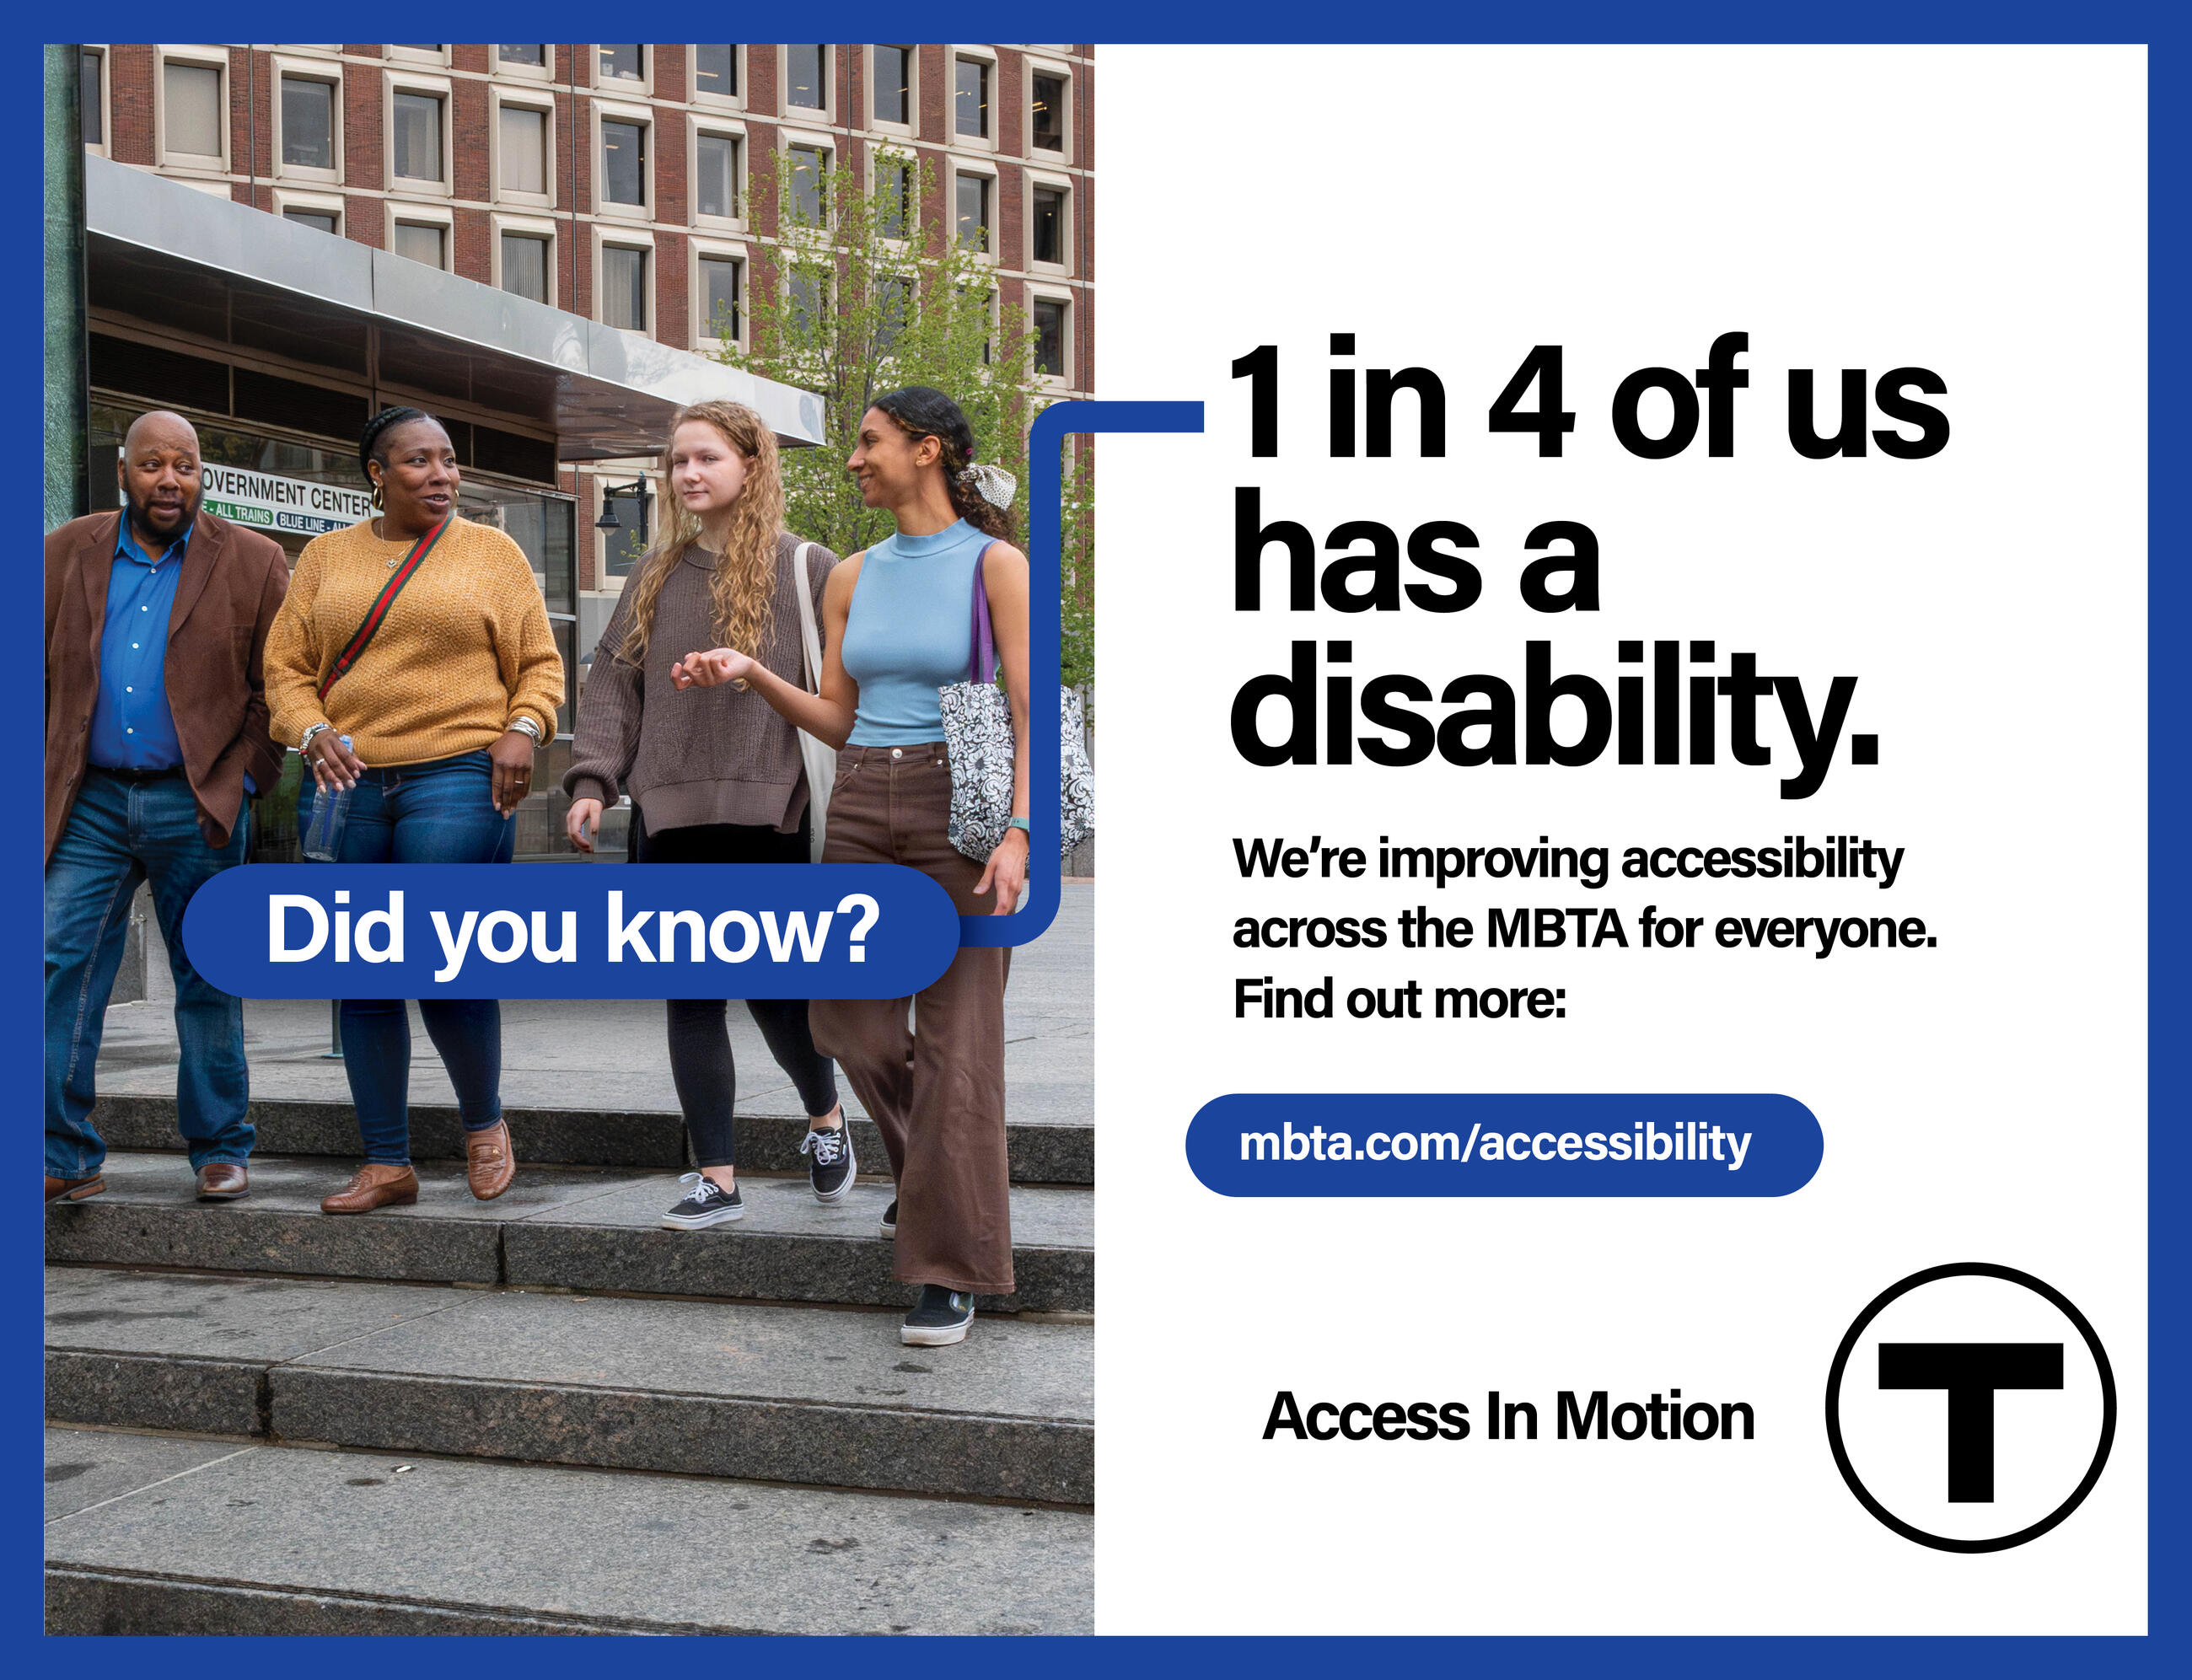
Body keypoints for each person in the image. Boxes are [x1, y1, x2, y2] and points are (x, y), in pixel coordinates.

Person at [676, 386, 1029, 1347]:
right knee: (844, 1017)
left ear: (926, 451)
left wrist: (1019, 830)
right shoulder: (851, 577)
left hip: (961, 807)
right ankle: (940, 1186)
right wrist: (752, 673)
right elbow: (839, 716)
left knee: (960, 1043)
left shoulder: (995, 566)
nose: (853, 459)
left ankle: (948, 1270)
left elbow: (1031, 711)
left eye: (868, 443)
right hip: (865, 801)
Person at [263, 406, 563, 1215]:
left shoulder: (491, 552)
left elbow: (539, 664)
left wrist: (523, 728)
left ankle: (484, 1123)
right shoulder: (325, 557)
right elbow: (285, 670)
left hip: (461, 774)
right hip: (351, 782)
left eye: (449, 461)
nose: (441, 475)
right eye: (419, 462)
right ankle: (386, 1162)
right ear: (378, 473)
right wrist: (311, 728)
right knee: (362, 972)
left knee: (436, 949)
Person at [563, 400, 850, 1226]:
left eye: (707, 459)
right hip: (670, 819)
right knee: (689, 995)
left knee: (775, 991)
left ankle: (824, 1117)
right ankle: (716, 1177)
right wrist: (592, 782)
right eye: (678, 461)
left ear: (751, 467)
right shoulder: (653, 574)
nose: (688, 474)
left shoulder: (809, 568)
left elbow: (842, 693)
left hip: (774, 816)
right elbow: (612, 686)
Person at [45, 411, 289, 1204]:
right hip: (88, 801)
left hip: (200, 802)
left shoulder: (252, 560)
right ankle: (61, 1154)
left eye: (184, 466)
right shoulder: (62, 553)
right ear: (123, 470)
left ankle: (220, 1145)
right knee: (56, 963)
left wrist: (245, 777)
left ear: (201, 477)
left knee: (210, 974)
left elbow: (278, 687)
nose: (170, 480)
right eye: (153, 465)